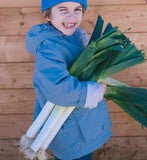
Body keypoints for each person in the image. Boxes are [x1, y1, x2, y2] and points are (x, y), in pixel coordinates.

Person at [25, 0, 113, 159]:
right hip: (72, 130)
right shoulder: (49, 48)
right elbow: (58, 89)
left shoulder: (78, 37)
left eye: (77, 9)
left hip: (83, 123)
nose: (71, 16)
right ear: (47, 15)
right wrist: (97, 90)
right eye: (63, 9)